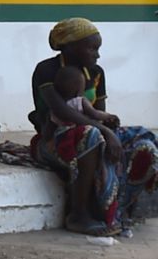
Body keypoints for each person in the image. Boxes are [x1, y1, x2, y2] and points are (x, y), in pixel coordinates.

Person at [11, 18, 158, 234]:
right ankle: (78, 215)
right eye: (91, 48)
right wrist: (105, 131)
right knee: (90, 135)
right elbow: (61, 111)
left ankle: (118, 208)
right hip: (53, 141)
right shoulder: (47, 70)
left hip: (90, 134)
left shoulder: (96, 73)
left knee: (143, 141)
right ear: (70, 47)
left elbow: (99, 113)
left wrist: (109, 127)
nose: (96, 54)